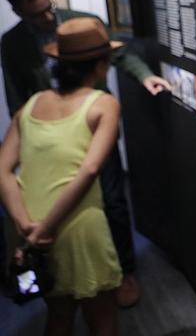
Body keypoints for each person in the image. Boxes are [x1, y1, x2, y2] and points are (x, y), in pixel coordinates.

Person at [0, 0, 171, 307]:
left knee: (111, 199)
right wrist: (26, 138)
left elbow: (120, 55)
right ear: (19, 13)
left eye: (48, 9)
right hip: (48, 133)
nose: (47, 18)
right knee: (64, 204)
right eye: (36, 15)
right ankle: (63, 273)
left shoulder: (83, 24)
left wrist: (145, 75)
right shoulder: (13, 44)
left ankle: (122, 270)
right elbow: (16, 96)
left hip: (89, 124)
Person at [0, 17, 125, 335]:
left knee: (58, 315)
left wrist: (25, 225)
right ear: (100, 65)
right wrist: (47, 227)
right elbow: (90, 168)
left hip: (29, 223)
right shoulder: (104, 103)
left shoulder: (31, 105)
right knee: (102, 319)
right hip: (75, 224)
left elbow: (2, 169)